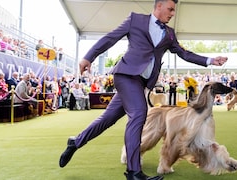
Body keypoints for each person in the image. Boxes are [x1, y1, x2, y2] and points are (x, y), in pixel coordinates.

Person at [59, 0, 228, 179]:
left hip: (142, 83)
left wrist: (210, 60)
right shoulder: (135, 20)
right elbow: (111, 38)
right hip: (125, 75)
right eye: (170, 9)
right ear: (159, 5)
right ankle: (134, 172)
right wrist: (88, 57)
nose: (172, 14)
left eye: (173, 11)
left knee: (107, 119)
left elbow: (184, 53)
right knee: (139, 113)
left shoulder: (169, 34)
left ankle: (75, 142)